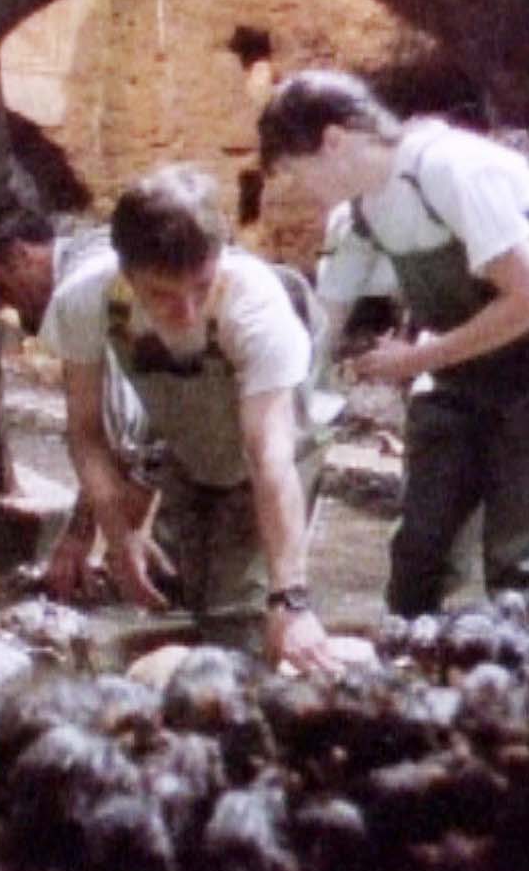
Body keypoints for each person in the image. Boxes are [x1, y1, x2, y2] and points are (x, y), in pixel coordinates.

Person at [259, 68, 529, 621]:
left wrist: (415, 359)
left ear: (334, 141)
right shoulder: (360, 211)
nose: (302, 189)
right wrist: (286, 409)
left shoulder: (448, 169)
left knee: (525, 556)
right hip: (458, 363)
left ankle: (525, 659)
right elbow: (324, 323)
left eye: (299, 171)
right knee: (421, 548)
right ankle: (410, 651)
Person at [38, 164, 341, 672]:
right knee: (178, 595)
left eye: (202, 287)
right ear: (126, 272)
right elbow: (87, 433)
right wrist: (118, 535)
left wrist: (290, 598)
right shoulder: (87, 298)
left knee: (237, 616)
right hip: (187, 444)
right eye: (161, 293)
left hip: (274, 450)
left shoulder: (255, 307)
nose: (187, 311)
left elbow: (270, 458)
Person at [0, 207, 155, 596]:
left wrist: (100, 537)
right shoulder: (89, 263)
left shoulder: (83, 288)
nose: (0, 307)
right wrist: (94, 532)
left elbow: (125, 434)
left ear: (21, 255)